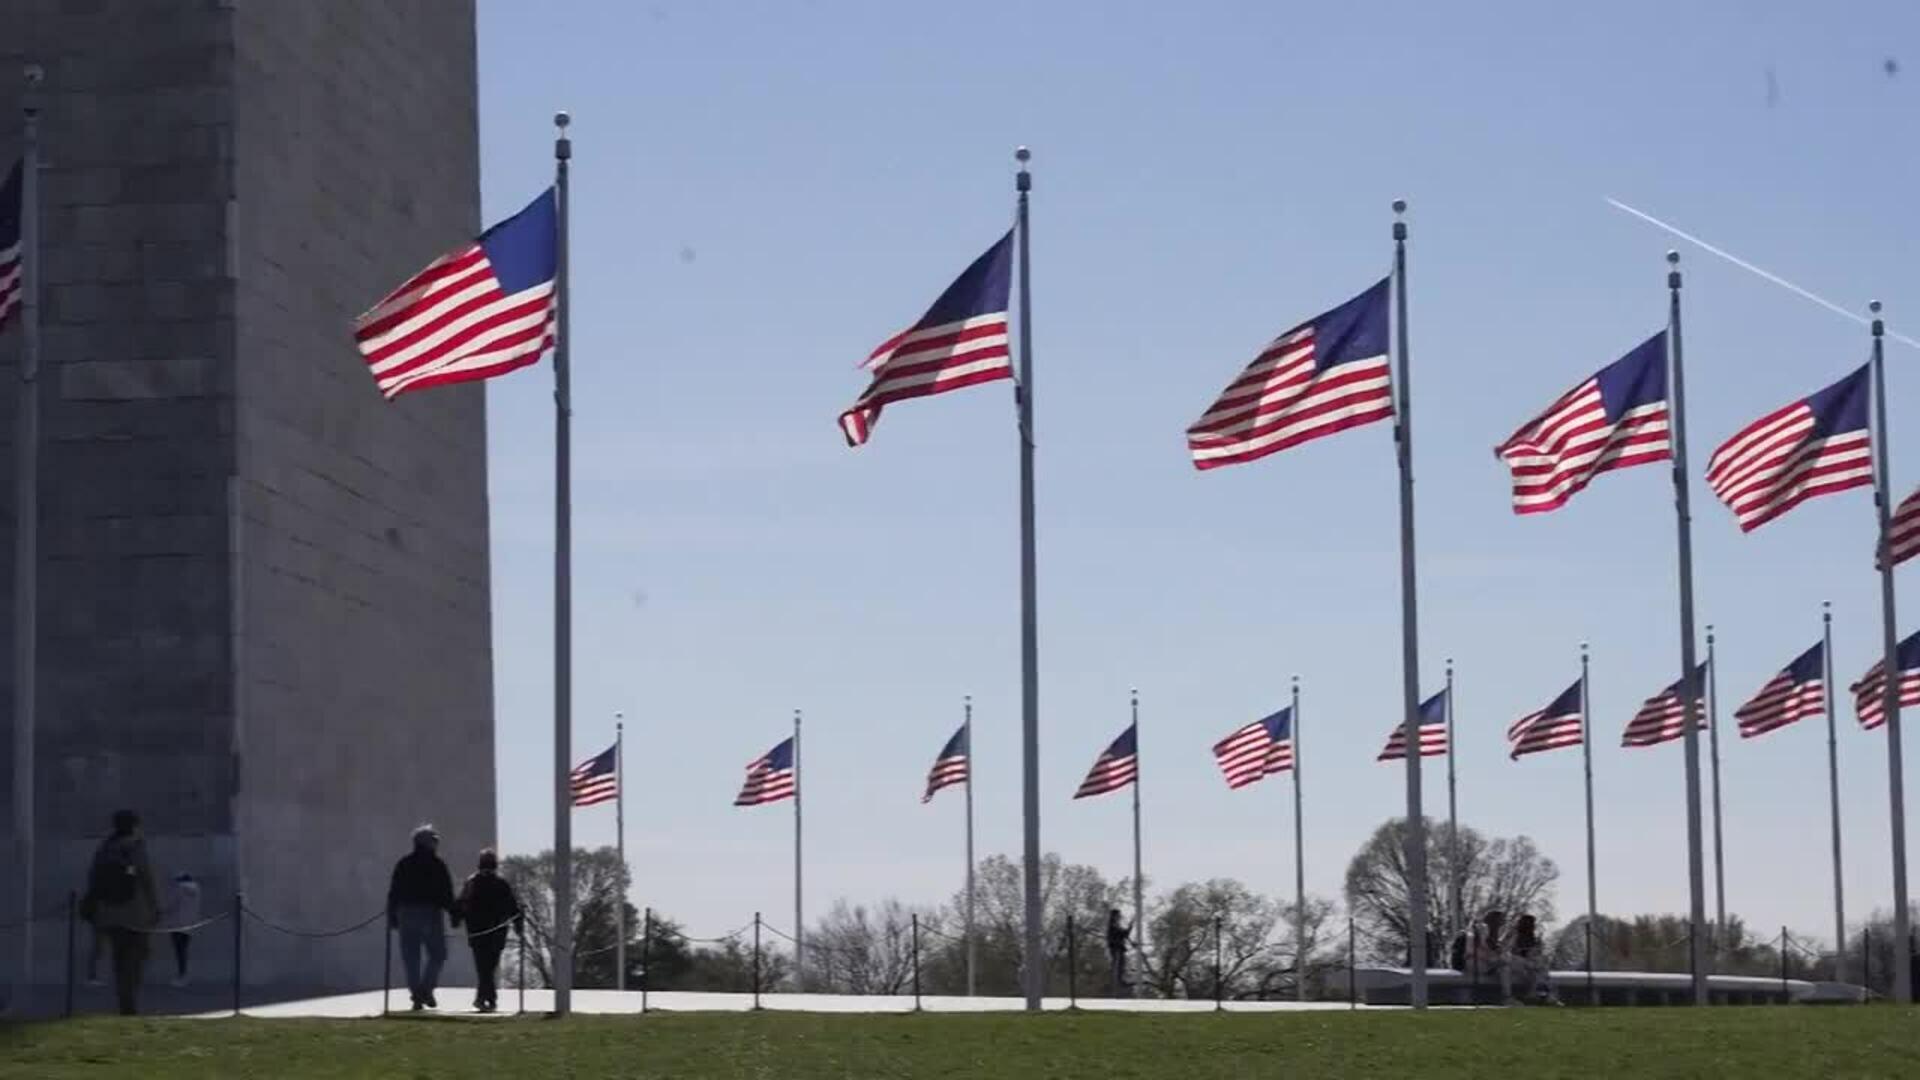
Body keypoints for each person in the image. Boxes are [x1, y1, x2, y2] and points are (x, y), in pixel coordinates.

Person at [80, 809, 159, 1016]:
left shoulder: (105, 847)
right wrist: (154, 906)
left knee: (119, 958)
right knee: (137, 956)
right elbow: (146, 877)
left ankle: (124, 1001)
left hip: (108, 914)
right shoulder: (134, 846)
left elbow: (93, 879)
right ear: (134, 825)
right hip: (134, 913)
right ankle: (129, 1003)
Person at [387, 824, 459, 1011]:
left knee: (411, 957)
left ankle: (417, 994)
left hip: (405, 913)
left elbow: (394, 892)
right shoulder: (437, 864)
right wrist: (454, 912)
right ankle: (426, 989)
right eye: (434, 840)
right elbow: (446, 892)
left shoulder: (404, 863)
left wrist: (392, 915)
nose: (437, 843)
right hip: (430, 913)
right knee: (438, 953)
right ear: (427, 842)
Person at [455, 849, 523, 1013]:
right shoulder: (501, 883)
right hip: (497, 931)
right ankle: (488, 999)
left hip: (477, 930)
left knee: (483, 967)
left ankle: (485, 999)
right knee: (489, 967)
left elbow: (461, 903)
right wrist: (518, 925)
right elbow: (512, 906)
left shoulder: (471, 882)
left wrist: (456, 919)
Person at [165, 872, 202, 988]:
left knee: (179, 951)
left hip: (177, 924)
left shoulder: (178, 889)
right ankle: (185, 975)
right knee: (184, 950)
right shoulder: (196, 890)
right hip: (190, 924)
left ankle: (182, 976)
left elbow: (171, 905)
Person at [1105, 908, 1132, 994]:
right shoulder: (1112, 925)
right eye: (1118, 915)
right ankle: (1118, 983)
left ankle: (1121, 980)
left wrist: (1129, 928)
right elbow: (1121, 933)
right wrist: (1128, 929)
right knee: (1118, 965)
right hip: (1116, 948)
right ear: (1114, 916)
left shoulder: (1116, 925)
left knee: (1122, 965)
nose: (1119, 917)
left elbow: (1124, 934)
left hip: (1119, 948)